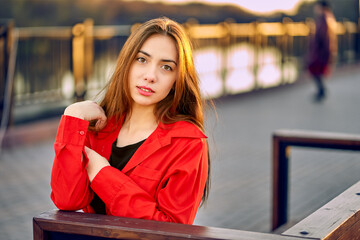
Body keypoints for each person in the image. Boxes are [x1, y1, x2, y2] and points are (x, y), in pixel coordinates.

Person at [50, 17, 210, 224]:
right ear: (126, 63)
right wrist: (73, 116)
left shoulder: (187, 142)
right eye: (142, 60)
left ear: (177, 80)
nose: (150, 76)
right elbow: (67, 200)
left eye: (166, 67)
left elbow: (171, 230)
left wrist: (101, 173)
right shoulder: (98, 125)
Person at [307, 0, 337, 102]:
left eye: (317, 7)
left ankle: (321, 91)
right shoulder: (327, 18)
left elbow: (323, 37)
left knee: (315, 69)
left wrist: (319, 50)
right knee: (316, 70)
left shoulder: (324, 19)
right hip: (322, 50)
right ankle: (321, 91)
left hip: (320, 51)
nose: (316, 9)